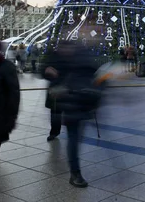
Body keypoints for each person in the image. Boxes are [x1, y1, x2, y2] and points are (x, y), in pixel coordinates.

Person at [43, 40, 101, 188]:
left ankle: (75, 173)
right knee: (72, 137)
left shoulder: (83, 56)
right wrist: (47, 71)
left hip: (79, 102)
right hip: (64, 100)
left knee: (74, 137)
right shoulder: (55, 56)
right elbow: (43, 70)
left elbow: (93, 75)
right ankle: (75, 173)